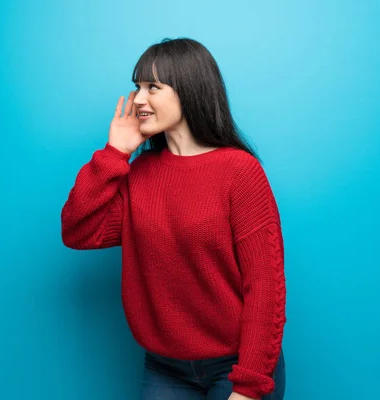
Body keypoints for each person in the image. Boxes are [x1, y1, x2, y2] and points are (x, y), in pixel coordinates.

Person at [61, 37, 286, 400]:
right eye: (137, 87)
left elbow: (265, 288)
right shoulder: (141, 172)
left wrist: (249, 386)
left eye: (153, 87)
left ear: (189, 91)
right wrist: (115, 153)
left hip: (237, 367)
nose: (138, 99)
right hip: (165, 367)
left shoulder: (239, 172)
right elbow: (77, 231)